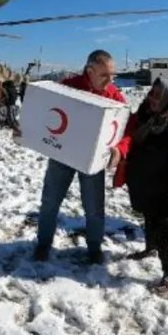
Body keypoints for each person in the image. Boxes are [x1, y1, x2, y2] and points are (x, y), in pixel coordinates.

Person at [32, 50, 127, 264]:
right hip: (62, 156)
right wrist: (28, 129)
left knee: (94, 207)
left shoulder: (114, 95)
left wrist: (120, 148)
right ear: (90, 70)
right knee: (50, 202)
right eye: (104, 75)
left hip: (93, 161)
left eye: (113, 75)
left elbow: (126, 126)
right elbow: (44, 112)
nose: (110, 80)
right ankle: (43, 244)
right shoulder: (68, 87)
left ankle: (94, 248)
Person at [113, 77, 168, 292]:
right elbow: (127, 135)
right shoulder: (143, 114)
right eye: (150, 93)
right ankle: (150, 247)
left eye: (156, 95)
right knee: (149, 218)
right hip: (142, 182)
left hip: (166, 188)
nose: (150, 98)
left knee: (167, 231)